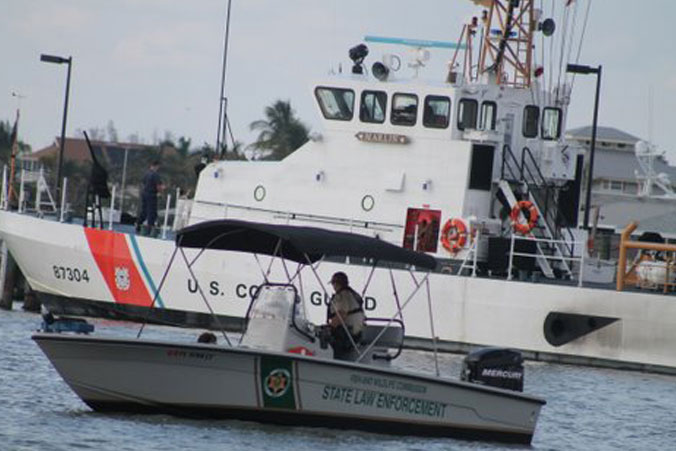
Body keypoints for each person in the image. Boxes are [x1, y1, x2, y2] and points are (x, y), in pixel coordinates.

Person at [327, 271, 366, 360]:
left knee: (325, 338)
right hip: (357, 332)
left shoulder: (342, 295)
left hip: (348, 334)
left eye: (333, 283)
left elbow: (341, 314)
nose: (333, 286)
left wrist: (329, 327)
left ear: (336, 283)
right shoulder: (352, 293)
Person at [136, 161, 164, 235]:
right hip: (152, 195)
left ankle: (138, 224)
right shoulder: (155, 175)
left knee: (144, 211)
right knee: (152, 212)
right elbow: (158, 186)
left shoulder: (146, 174)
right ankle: (149, 230)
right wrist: (161, 193)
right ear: (156, 166)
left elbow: (143, 183)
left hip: (145, 194)